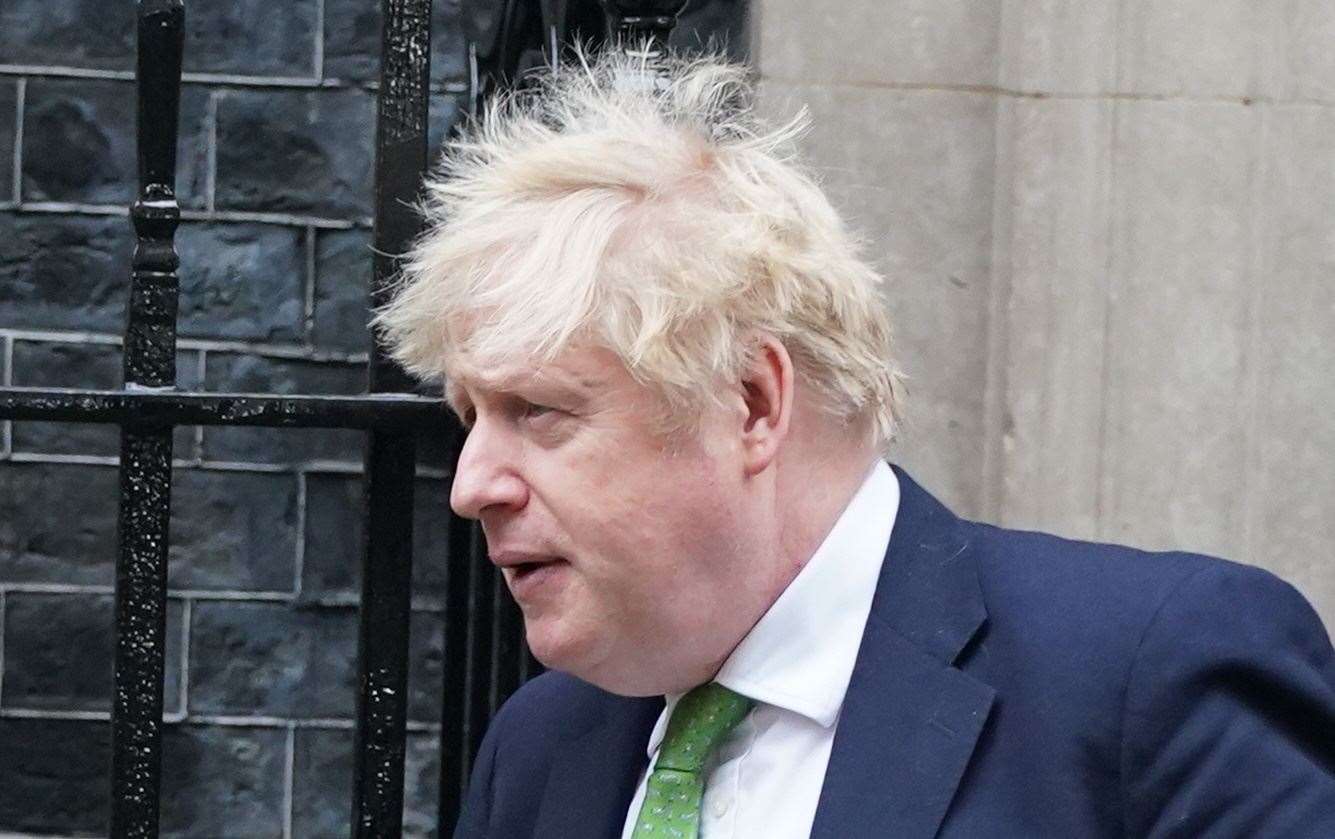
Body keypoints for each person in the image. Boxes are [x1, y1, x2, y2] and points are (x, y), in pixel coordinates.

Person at [374, 47, 1335, 838]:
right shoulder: (542, 747)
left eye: (537, 411)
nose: (472, 485)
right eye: (469, 417)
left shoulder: (1146, 677)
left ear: (751, 402)